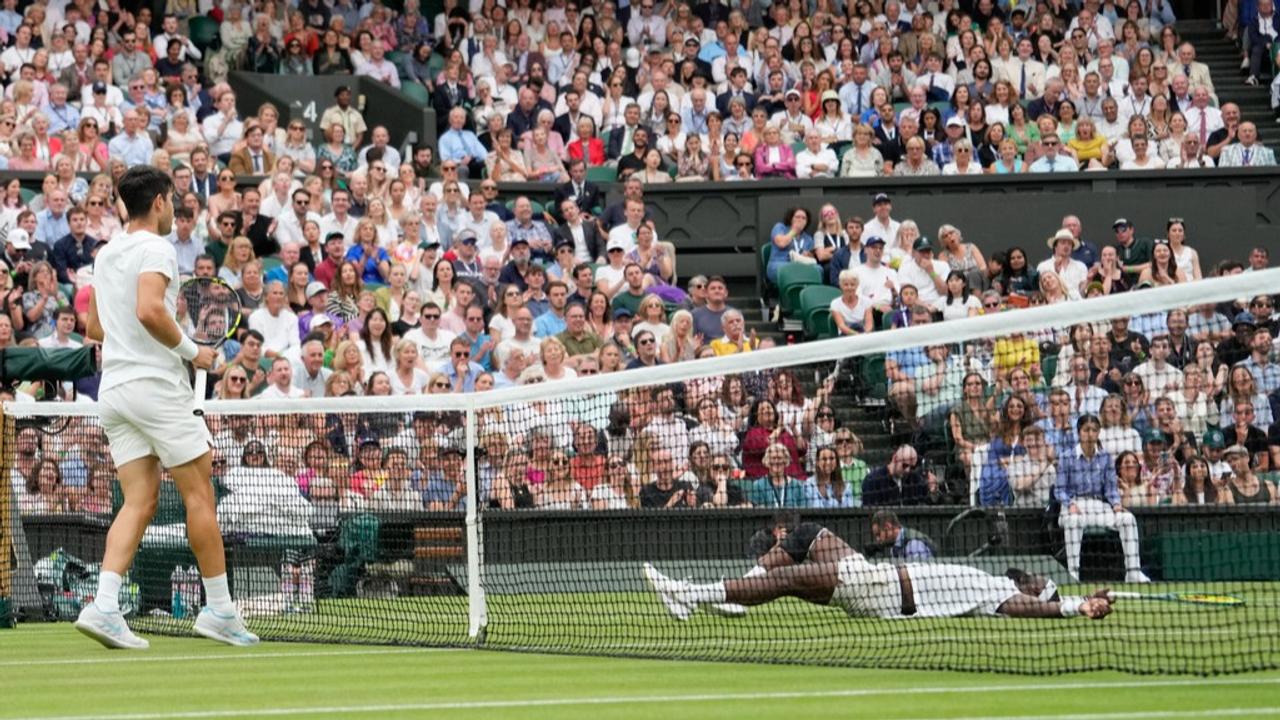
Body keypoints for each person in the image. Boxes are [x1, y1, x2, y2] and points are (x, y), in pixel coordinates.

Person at [78, 166, 257, 650]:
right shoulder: (156, 248)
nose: (174, 208)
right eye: (172, 200)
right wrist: (191, 351)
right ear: (158, 201)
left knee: (139, 500)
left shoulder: (106, 253)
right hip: (155, 387)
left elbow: (95, 328)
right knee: (200, 494)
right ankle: (219, 610)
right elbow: (149, 310)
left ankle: (105, 606)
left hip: (114, 392)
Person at [643, 520, 1113, 622]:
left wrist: (1075, 605)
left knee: (786, 580)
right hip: (878, 575)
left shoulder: (996, 596)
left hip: (883, 595)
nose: (1026, 578)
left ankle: (692, 594)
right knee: (808, 534)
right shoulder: (992, 580)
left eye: (1034, 582)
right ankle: (731, 595)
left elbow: (1030, 608)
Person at [1056, 414, 1152, 583]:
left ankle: (1133, 572)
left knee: (1127, 519)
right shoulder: (1066, 457)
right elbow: (1059, 490)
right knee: (1073, 522)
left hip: (1099, 506)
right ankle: (1073, 573)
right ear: (1079, 432)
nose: (1090, 434)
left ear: (1099, 432)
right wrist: (1070, 504)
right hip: (1074, 505)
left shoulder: (1105, 457)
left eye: (1094, 430)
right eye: (1086, 430)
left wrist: (1116, 504)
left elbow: (1110, 488)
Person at [869, 510, 936, 560]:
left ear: (888, 527)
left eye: (878, 534)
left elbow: (917, 574)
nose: (877, 539)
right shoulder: (894, 546)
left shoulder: (914, 544)